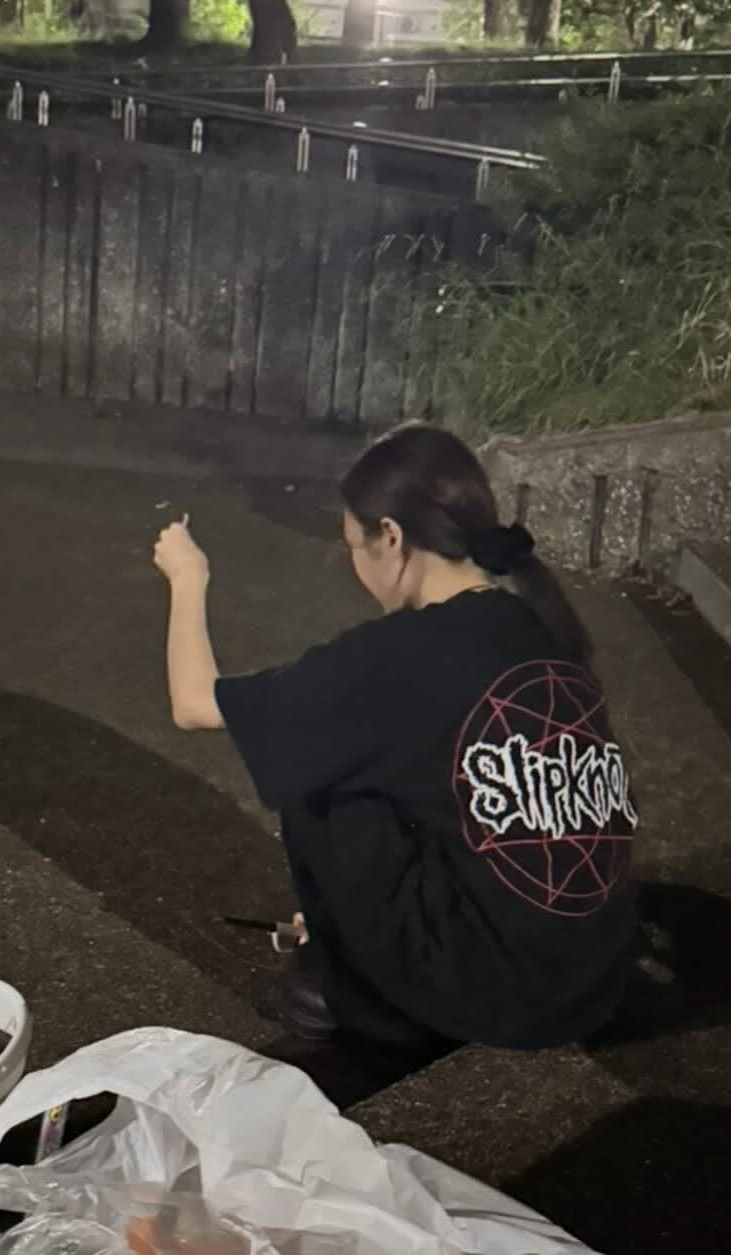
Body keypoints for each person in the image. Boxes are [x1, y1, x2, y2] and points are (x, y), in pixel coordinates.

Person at [153, 421, 639, 1093]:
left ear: (390, 536)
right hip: (594, 977)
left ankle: (371, 1000)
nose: (353, 566)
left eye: (352, 546)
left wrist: (188, 576)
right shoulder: (537, 619)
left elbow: (193, 702)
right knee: (391, 759)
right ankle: (365, 945)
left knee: (318, 770)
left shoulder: (397, 658)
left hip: (514, 1001)